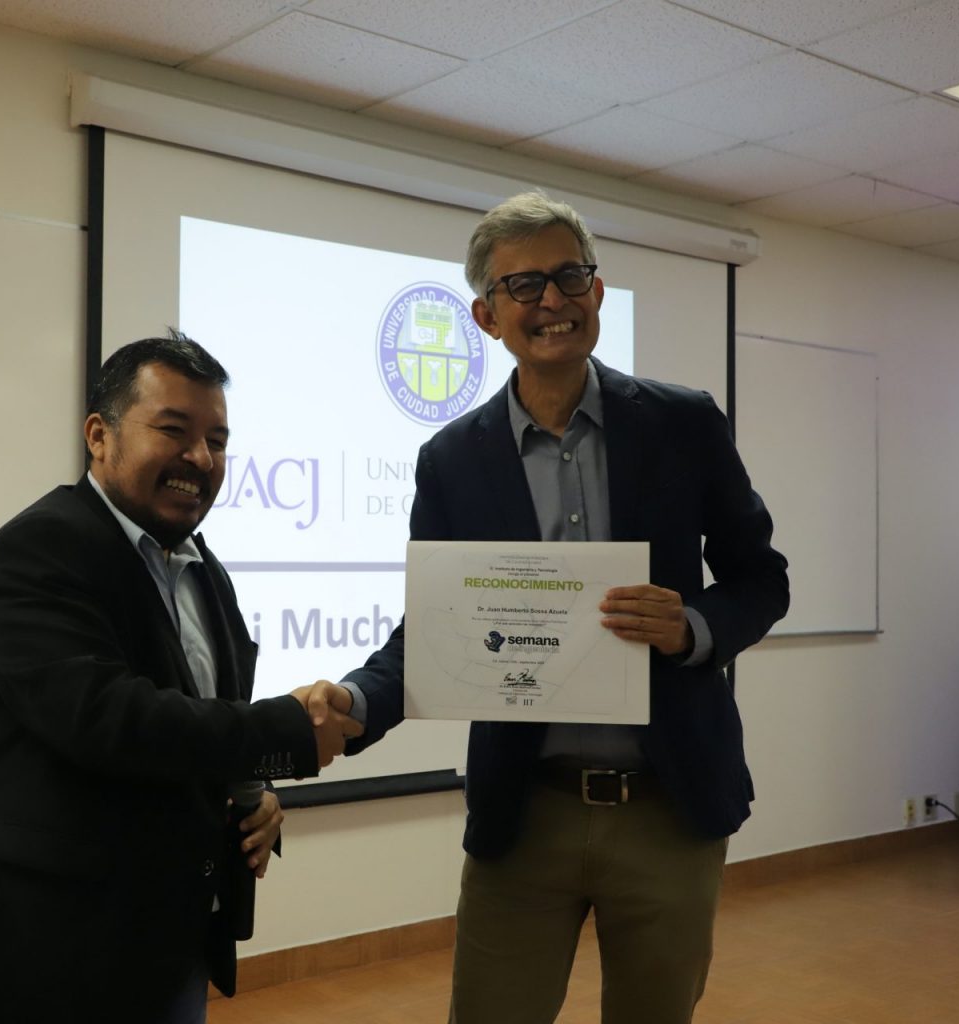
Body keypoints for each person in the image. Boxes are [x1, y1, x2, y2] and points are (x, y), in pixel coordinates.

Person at [306, 191, 789, 1023]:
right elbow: (434, 630)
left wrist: (692, 627)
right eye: (523, 286)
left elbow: (762, 579)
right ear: (487, 316)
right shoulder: (451, 460)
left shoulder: (683, 423)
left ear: (597, 290)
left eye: (569, 276)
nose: (552, 301)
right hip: (524, 812)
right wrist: (355, 700)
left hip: (669, 806)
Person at [0, 331, 361, 1024]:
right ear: (99, 436)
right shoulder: (39, 547)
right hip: (40, 962)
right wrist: (285, 732)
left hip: (165, 952)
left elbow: (201, 716)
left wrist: (254, 793)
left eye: (218, 441)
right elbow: (110, 719)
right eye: (174, 430)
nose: (200, 458)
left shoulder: (202, 568)